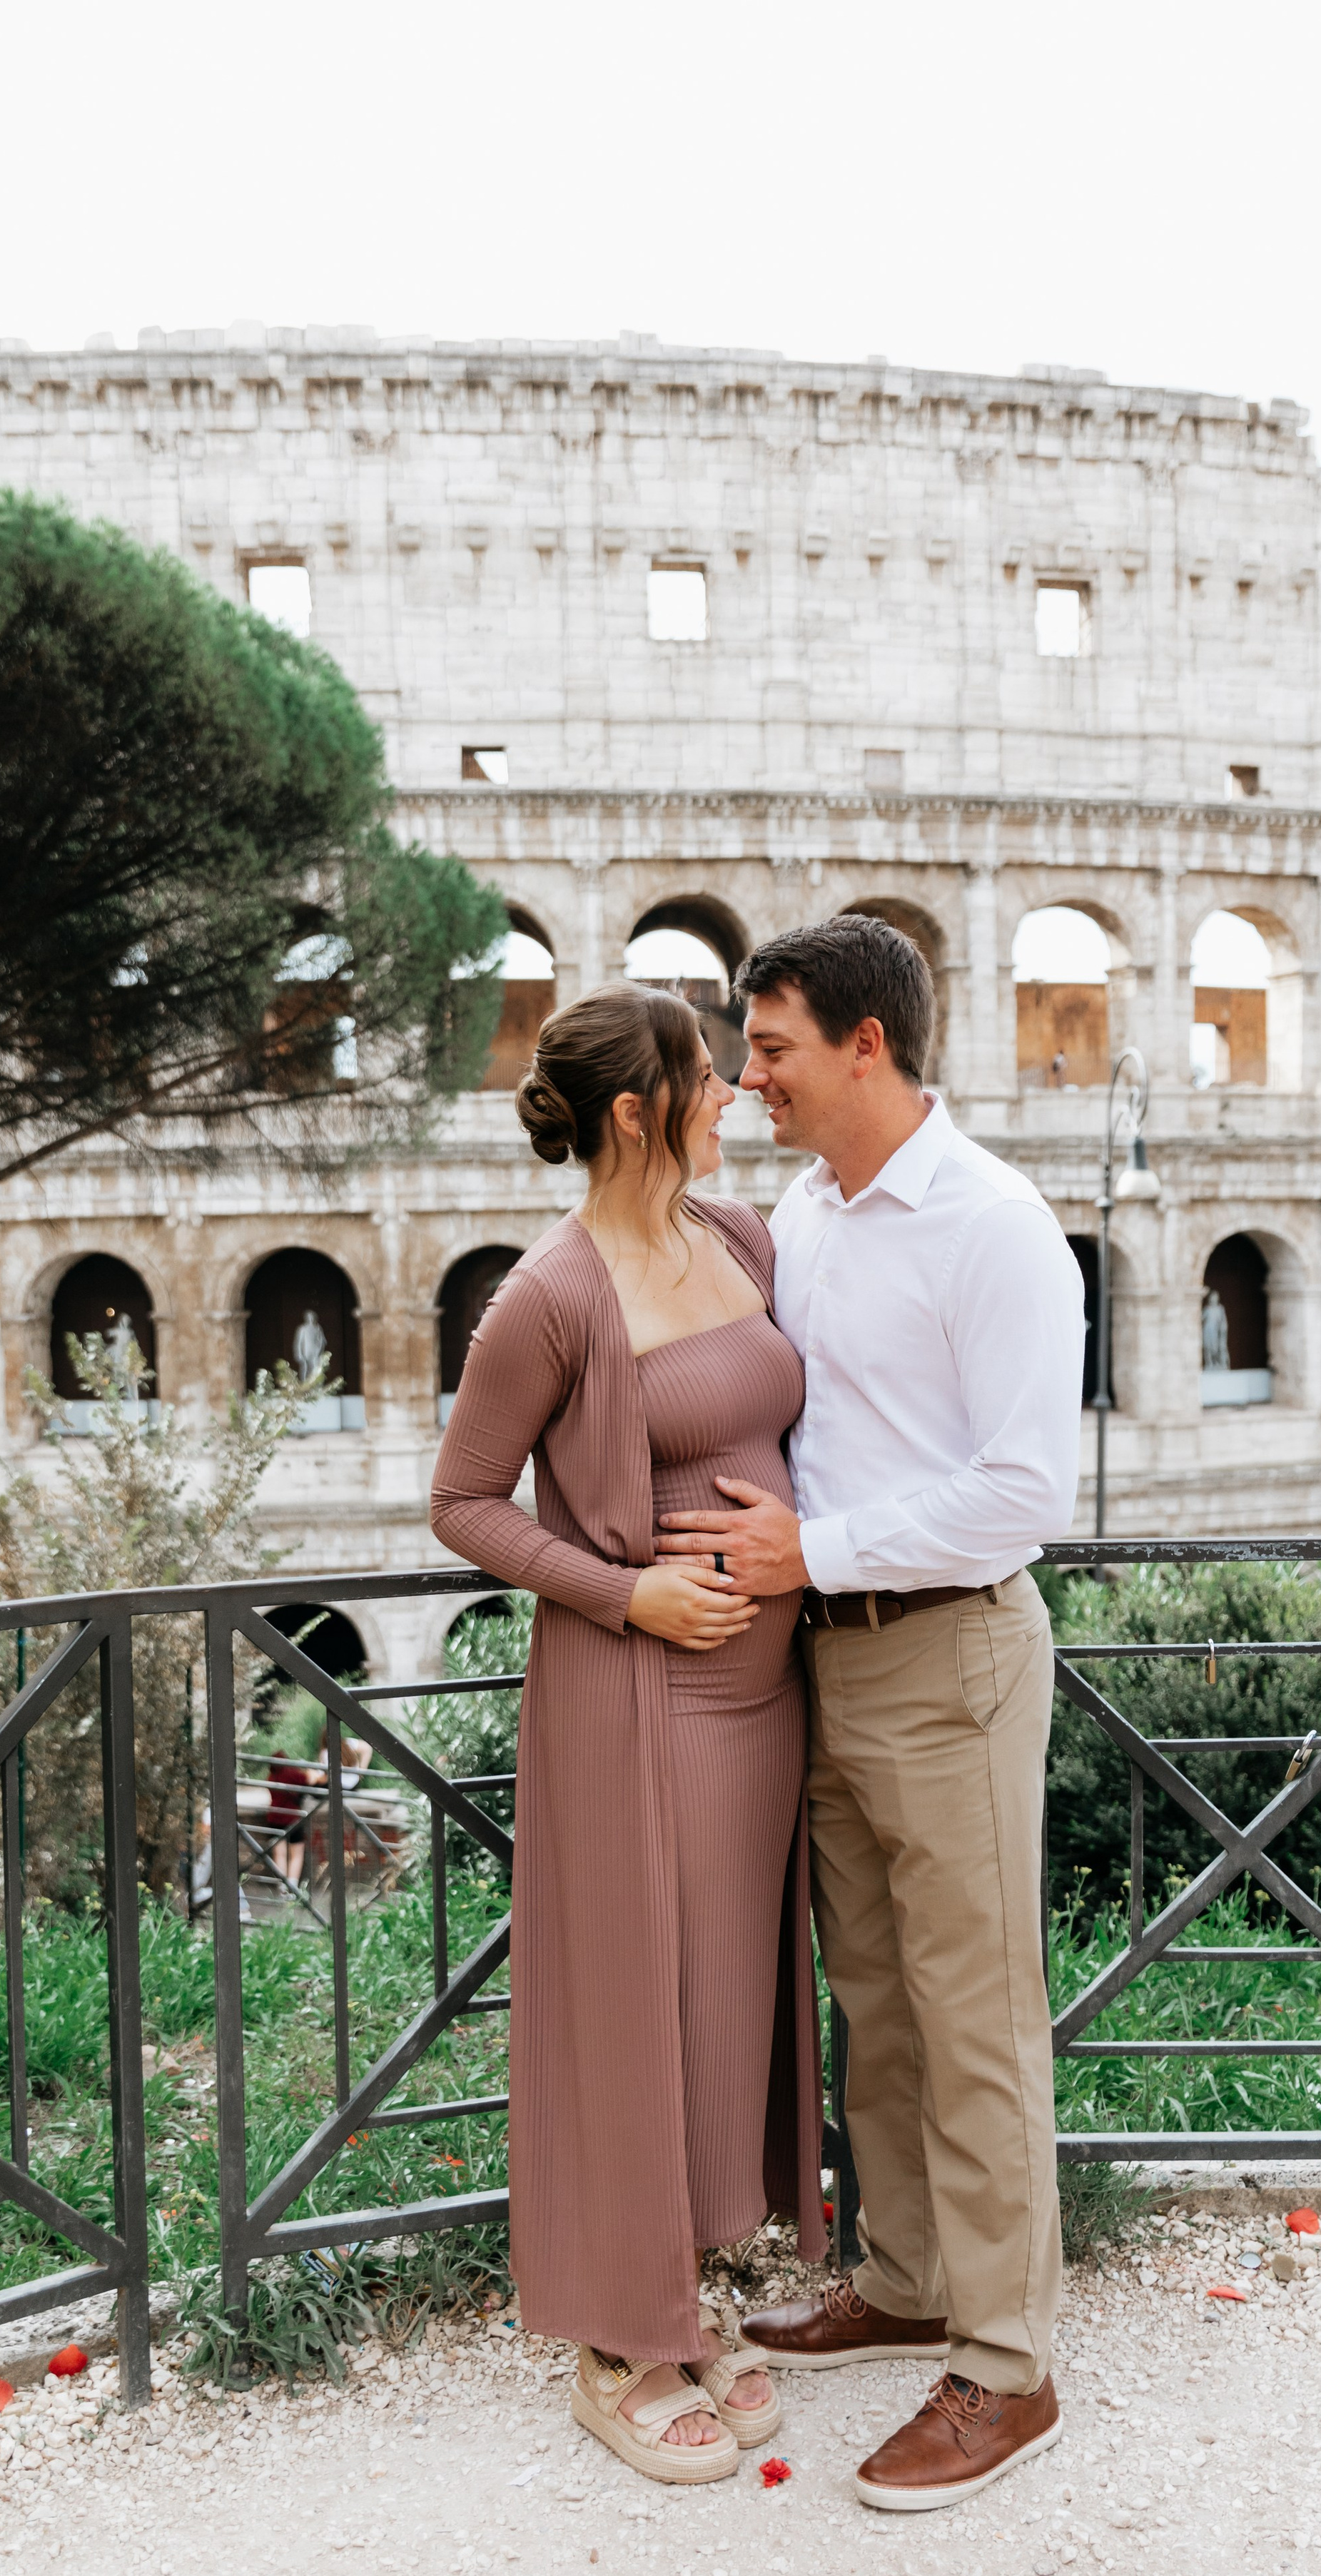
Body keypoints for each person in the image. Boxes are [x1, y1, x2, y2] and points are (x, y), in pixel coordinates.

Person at [654, 913, 1085, 2512]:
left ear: (864, 1045)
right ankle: (902, 2275)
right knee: (879, 2001)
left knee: (974, 2013)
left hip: (952, 1648)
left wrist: (808, 1550)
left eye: (766, 1047)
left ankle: (1002, 2367)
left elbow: (1022, 1491)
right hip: (824, 1654)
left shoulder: (991, 1225)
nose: (743, 1073)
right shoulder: (806, 1213)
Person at [429, 983, 825, 2487]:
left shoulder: (738, 1241)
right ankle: (616, 2340)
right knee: (630, 2008)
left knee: (719, 2002)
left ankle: (678, 2291)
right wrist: (628, 1596)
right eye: (708, 1079)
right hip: (635, 1701)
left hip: (763, 1704)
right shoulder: (550, 1292)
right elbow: (463, 1501)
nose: (730, 1095)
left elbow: (780, 1430)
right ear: (635, 1110)